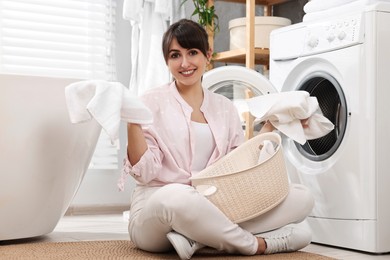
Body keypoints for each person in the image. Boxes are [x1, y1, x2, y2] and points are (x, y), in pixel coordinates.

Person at [122, 18, 315, 259]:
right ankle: (254, 245)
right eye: (175, 55)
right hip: (157, 213)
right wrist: (132, 121)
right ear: (167, 60)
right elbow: (145, 174)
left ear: (208, 55)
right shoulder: (149, 102)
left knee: (302, 197)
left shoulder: (224, 107)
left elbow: (238, 164)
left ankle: (197, 238)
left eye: (192, 52)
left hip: (216, 206)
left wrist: (273, 125)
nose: (184, 63)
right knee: (178, 195)